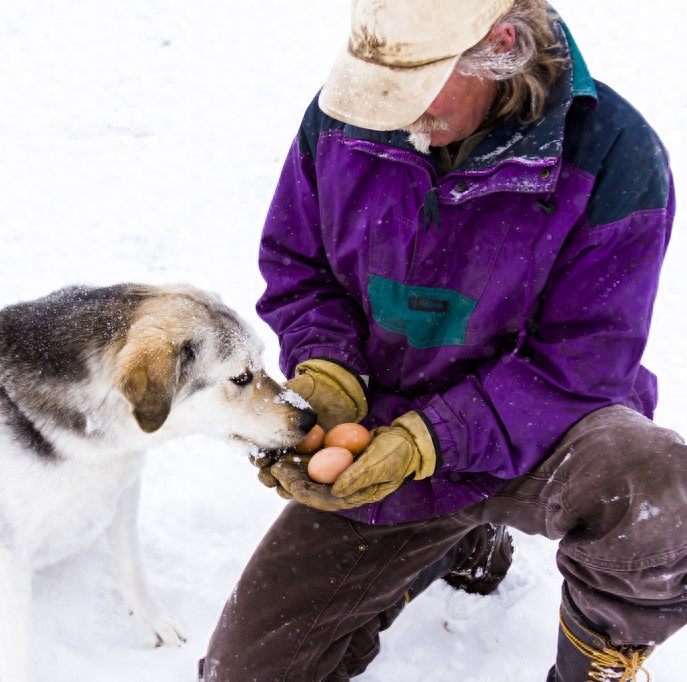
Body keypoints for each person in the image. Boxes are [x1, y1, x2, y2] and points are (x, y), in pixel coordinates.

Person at [200, 0, 685, 680]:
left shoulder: (614, 155)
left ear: (500, 47)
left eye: (416, 90)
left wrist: (435, 438)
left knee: (652, 484)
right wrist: (329, 374)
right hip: (382, 426)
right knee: (245, 672)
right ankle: (444, 541)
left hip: (543, 432)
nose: (394, 114)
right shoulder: (346, 119)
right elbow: (300, 271)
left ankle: (597, 660)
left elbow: (584, 362)